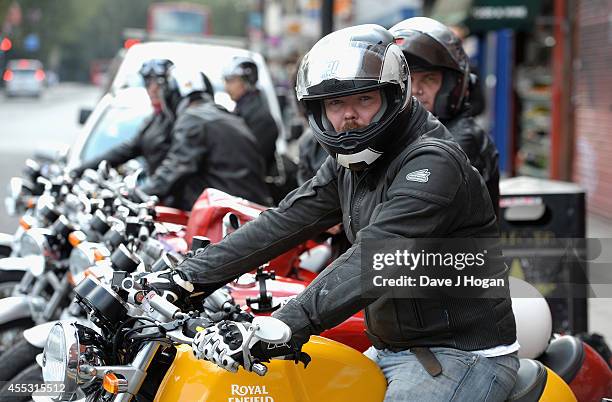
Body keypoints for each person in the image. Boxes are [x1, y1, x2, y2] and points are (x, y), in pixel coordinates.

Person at [145, 25, 518, 401]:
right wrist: (186, 278)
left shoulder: (433, 161)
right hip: (392, 348)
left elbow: (378, 256)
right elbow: (287, 219)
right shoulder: (352, 162)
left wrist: (283, 326)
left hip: (459, 354)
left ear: (394, 96)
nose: (349, 117)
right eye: (336, 104)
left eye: (365, 100)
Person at [390, 17, 500, 216]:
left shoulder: (459, 142)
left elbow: (411, 217)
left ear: (451, 86)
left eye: (429, 79)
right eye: (407, 79)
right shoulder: (401, 135)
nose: (415, 90)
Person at [137, 66, 271, 210]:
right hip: (244, 206)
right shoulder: (222, 114)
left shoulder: (192, 119)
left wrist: (138, 194)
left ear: (172, 96)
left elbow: (176, 168)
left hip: (228, 212)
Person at [74, 59, 176, 179]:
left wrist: (148, 189)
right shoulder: (154, 120)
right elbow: (125, 150)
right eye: (148, 82)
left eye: (159, 83)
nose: (153, 89)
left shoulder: (179, 120)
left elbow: (176, 167)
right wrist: (78, 171)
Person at [223, 56, 279, 171]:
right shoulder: (241, 109)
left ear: (247, 81)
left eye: (232, 81)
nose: (226, 87)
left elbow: (248, 158)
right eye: (226, 81)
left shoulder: (259, 116)